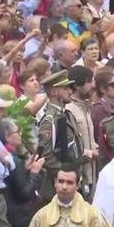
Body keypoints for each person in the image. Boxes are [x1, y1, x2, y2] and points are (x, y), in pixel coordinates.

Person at [24, 165, 114, 227]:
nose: (64, 187)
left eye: (69, 183)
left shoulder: (92, 215)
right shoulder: (41, 216)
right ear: (55, 183)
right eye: (61, 181)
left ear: (77, 185)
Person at [36, 70, 84, 203]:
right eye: (65, 88)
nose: (70, 91)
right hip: (56, 187)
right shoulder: (50, 120)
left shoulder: (66, 114)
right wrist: (66, 173)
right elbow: (46, 156)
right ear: (54, 92)